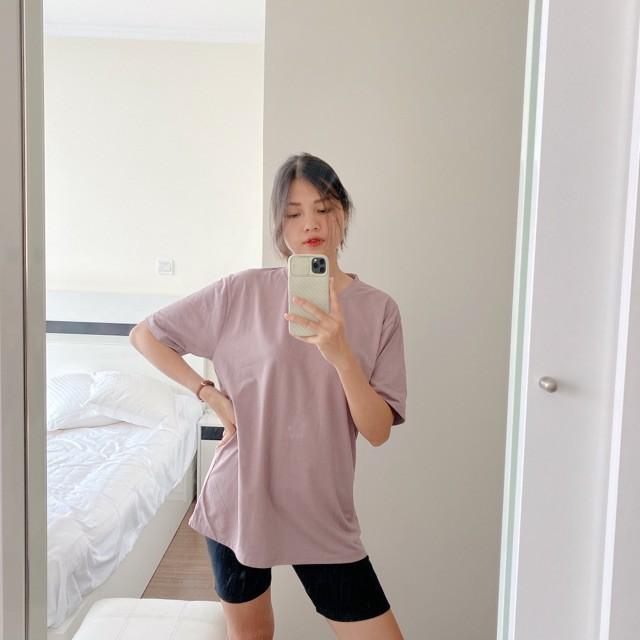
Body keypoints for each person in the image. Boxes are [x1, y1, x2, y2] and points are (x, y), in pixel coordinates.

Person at [130, 152, 407, 639]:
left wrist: (341, 355)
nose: (310, 224)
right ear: (279, 225)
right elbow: (145, 335)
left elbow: (378, 431)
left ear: (343, 213)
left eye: (323, 208)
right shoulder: (240, 293)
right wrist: (209, 394)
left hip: (323, 512)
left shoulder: (379, 310)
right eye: (293, 213)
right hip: (241, 502)